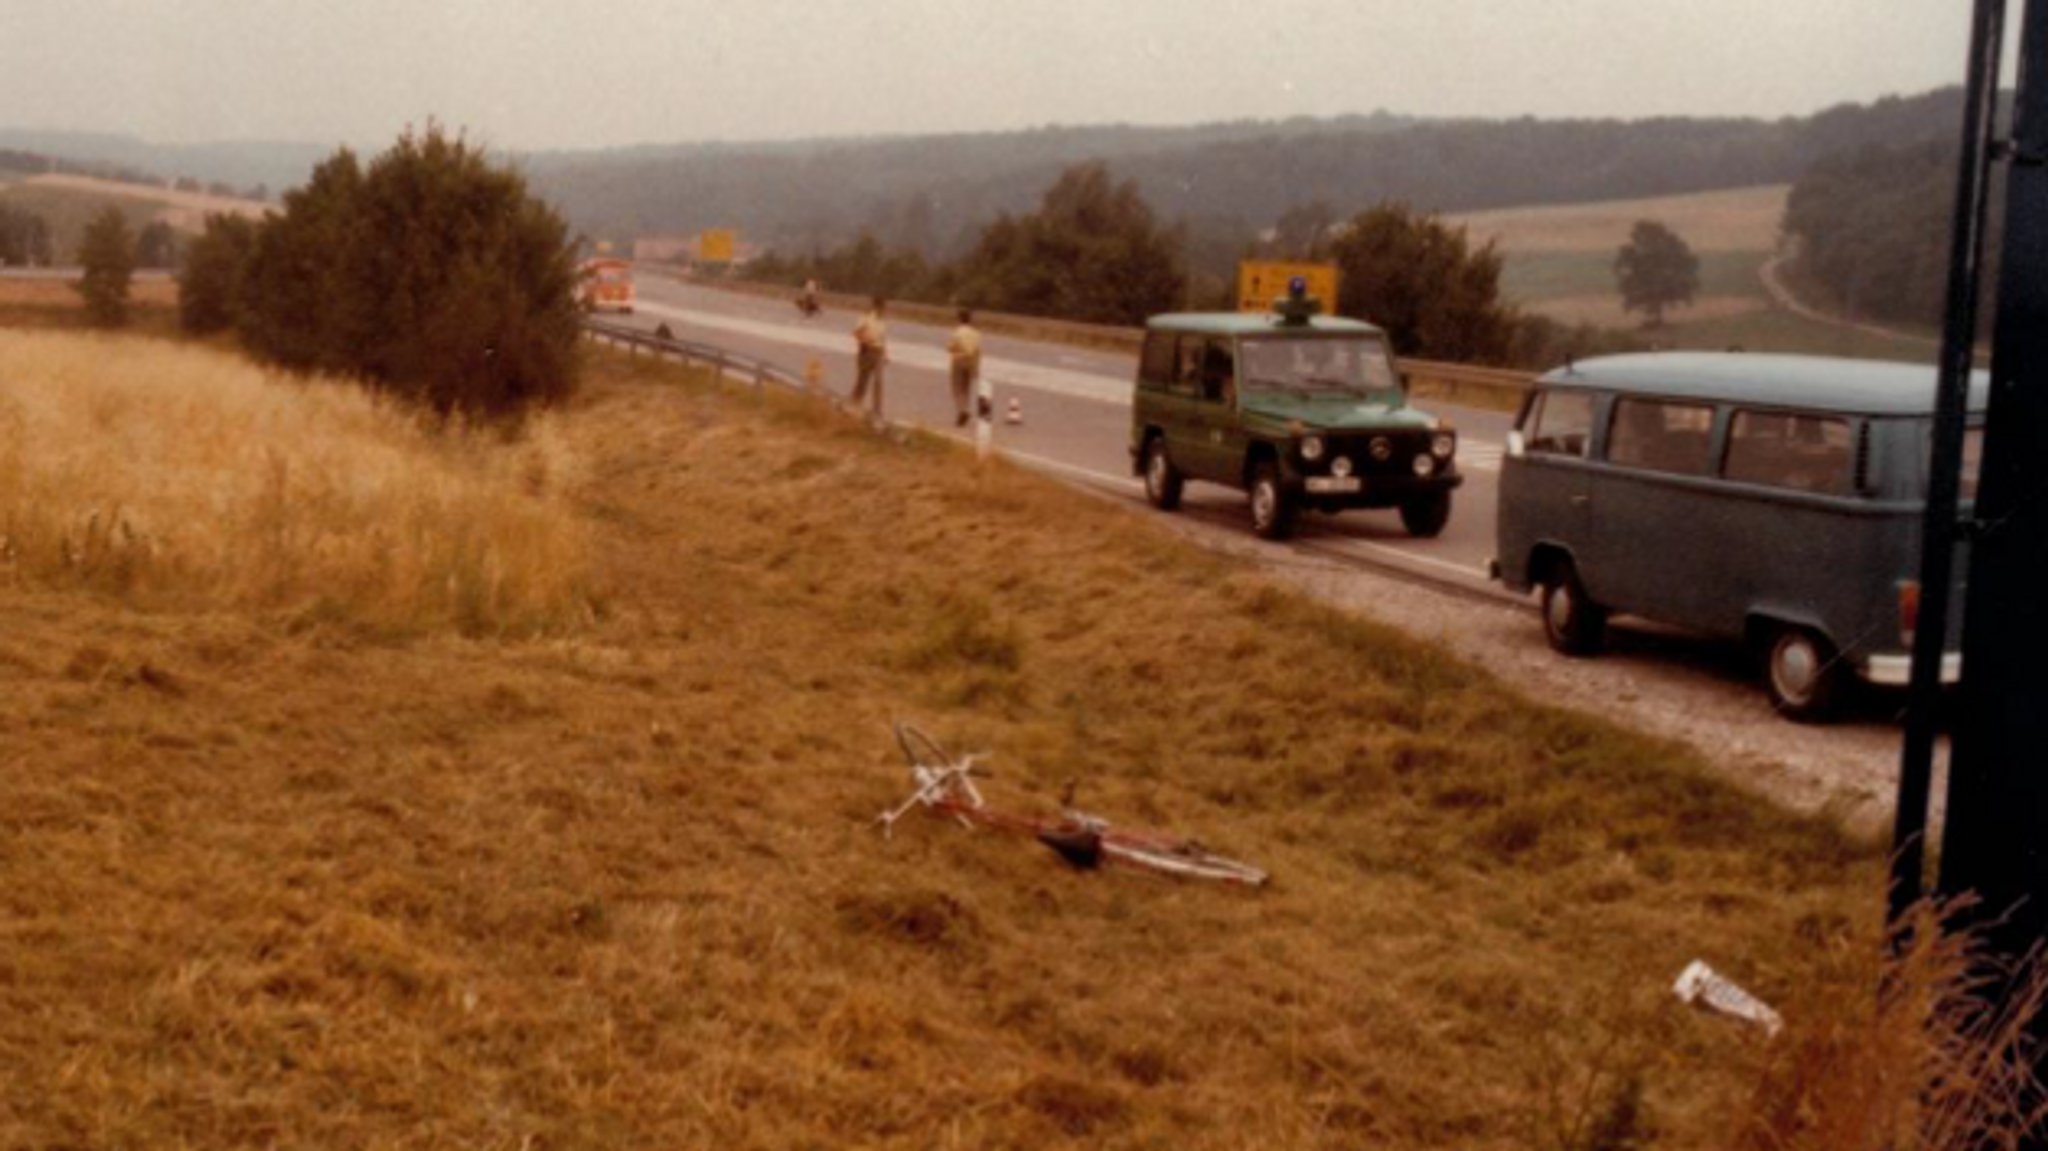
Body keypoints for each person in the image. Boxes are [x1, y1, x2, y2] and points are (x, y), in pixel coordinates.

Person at [851, 296, 888, 418]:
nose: (884, 310)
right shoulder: (866, 318)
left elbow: (883, 339)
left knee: (878, 380)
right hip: (866, 351)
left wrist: (886, 354)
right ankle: (853, 403)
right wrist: (865, 340)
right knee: (862, 382)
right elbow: (856, 333)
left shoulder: (882, 322)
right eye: (882, 308)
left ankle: (877, 410)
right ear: (876, 307)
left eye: (884, 308)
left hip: (878, 352)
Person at [947, 308, 982, 427]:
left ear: (959, 319)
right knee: (966, 388)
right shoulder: (976, 333)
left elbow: (950, 347)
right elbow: (978, 351)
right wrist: (976, 367)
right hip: (971, 362)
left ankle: (962, 410)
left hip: (959, 360)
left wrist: (953, 350)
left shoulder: (957, 332)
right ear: (970, 319)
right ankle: (966, 408)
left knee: (957, 388)